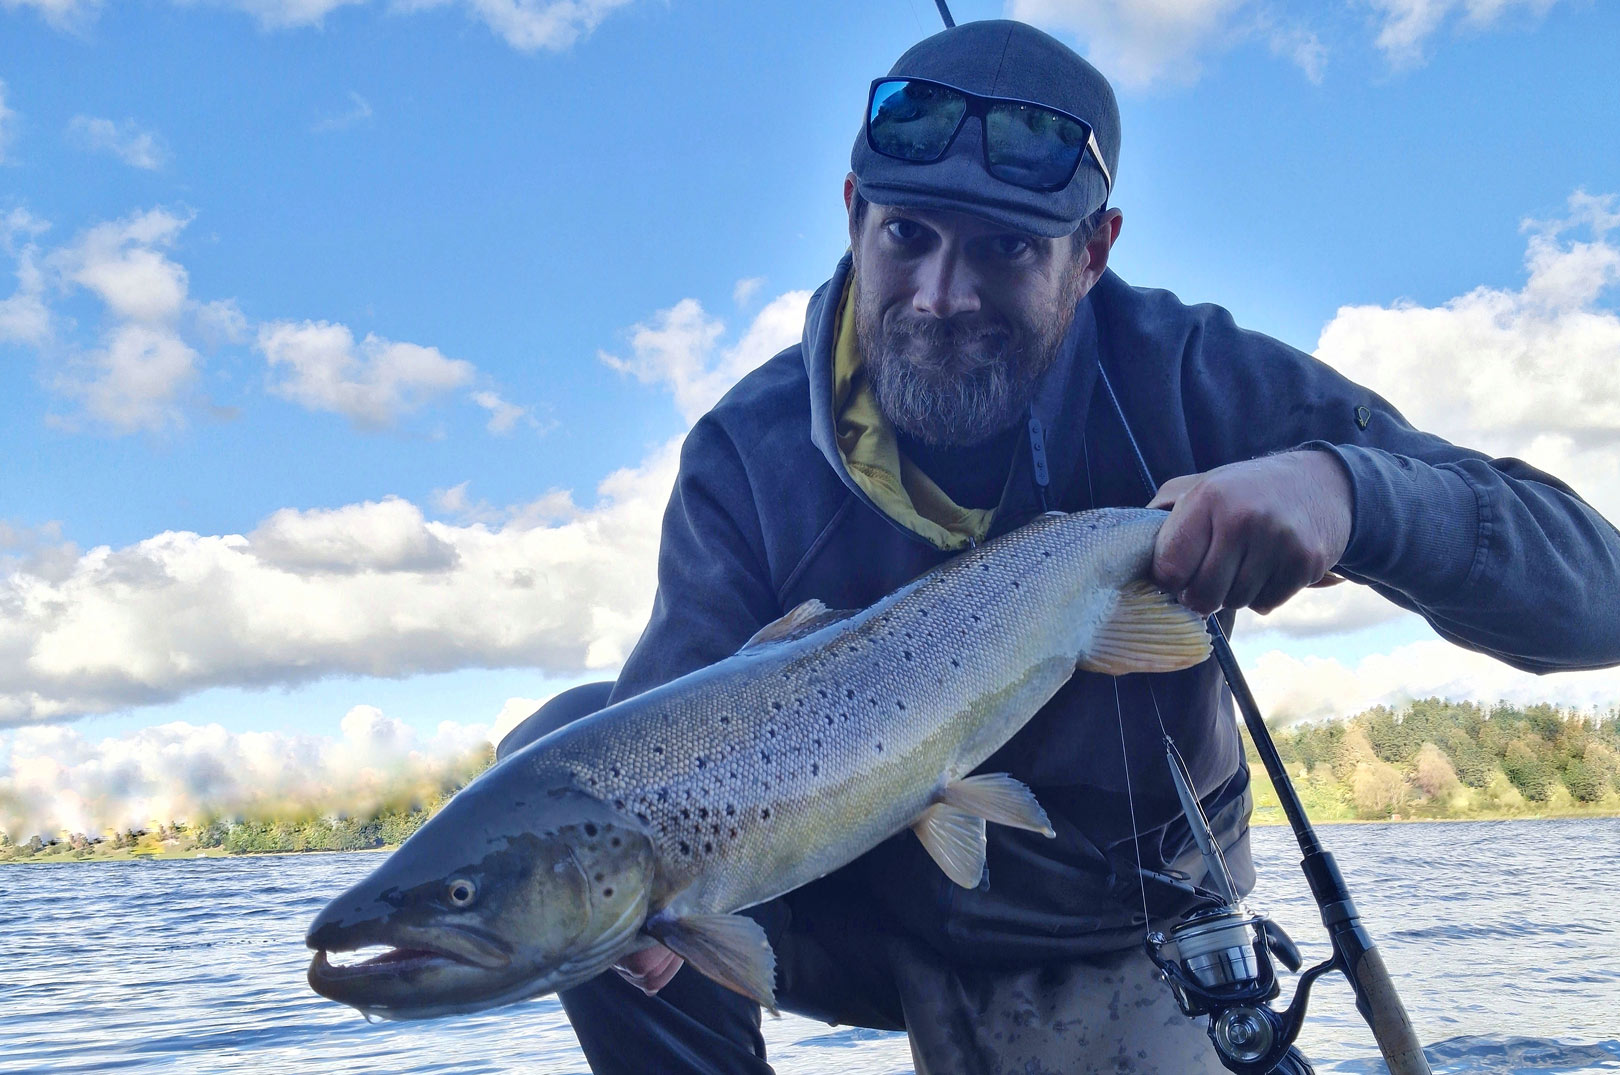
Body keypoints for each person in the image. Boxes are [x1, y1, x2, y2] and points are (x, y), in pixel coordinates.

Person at [527, 19, 1620, 1074]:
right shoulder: (746, 454)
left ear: (1093, 252)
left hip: (1133, 919)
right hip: (872, 907)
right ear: (855, 210)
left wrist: (1349, 492)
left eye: (1005, 248)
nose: (940, 297)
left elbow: (1597, 590)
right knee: (569, 780)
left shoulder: (1189, 372)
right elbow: (662, 721)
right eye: (907, 235)